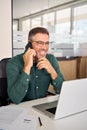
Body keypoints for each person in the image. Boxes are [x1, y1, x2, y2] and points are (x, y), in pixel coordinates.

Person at [6, 27, 64, 104]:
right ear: (29, 43)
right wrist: (27, 67)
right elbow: (15, 98)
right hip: (20, 107)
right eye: (40, 43)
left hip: (41, 105)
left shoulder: (51, 59)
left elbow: (63, 92)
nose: (44, 47)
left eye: (47, 43)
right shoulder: (13, 63)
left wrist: (52, 71)